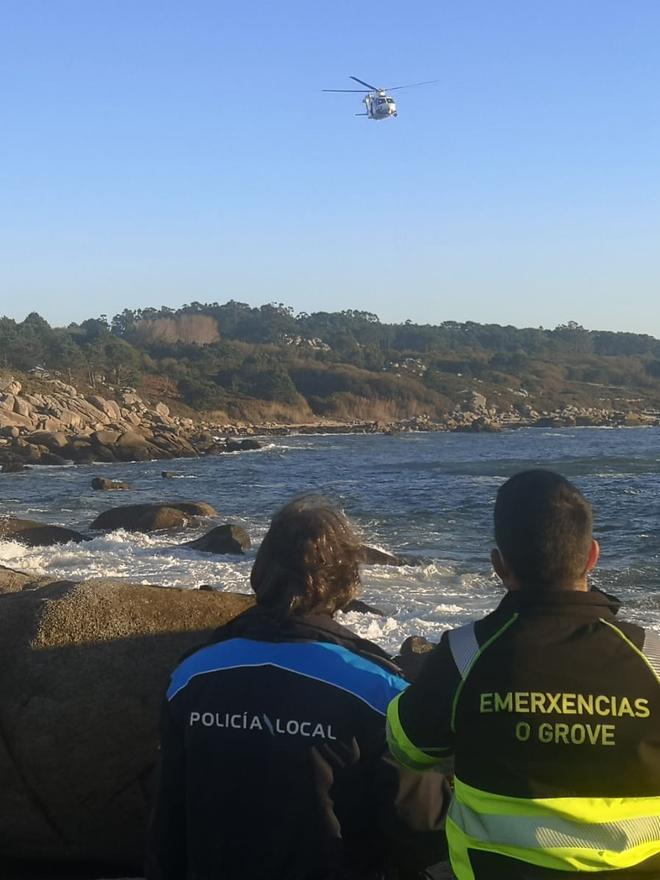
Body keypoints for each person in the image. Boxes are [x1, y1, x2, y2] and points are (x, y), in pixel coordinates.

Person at [147, 496, 448, 880]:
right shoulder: (376, 688)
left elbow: (168, 817)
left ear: (262, 570)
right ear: (346, 580)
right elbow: (417, 823)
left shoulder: (191, 676)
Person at [386, 469, 660, 879]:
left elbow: (406, 746)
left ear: (498, 564)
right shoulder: (651, 657)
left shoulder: (465, 654)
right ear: (592, 556)